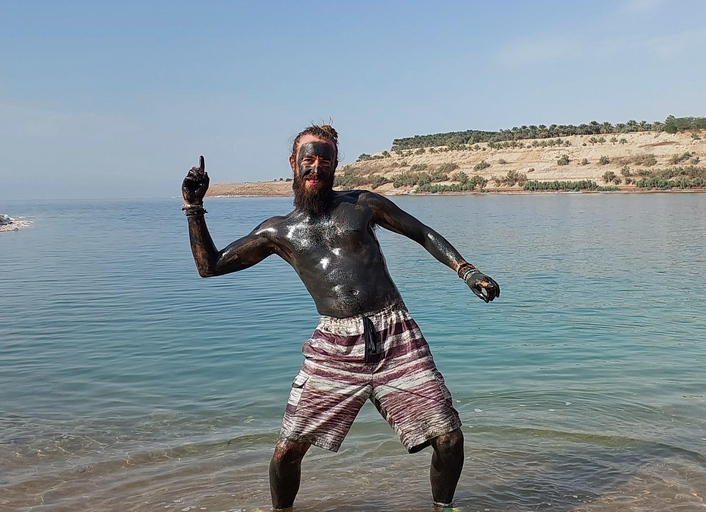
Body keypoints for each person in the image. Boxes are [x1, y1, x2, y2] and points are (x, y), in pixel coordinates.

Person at [182, 124, 500, 510]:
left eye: (325, 160)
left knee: (449, 437)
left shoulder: (363, 204)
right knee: (288, 450)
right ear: (293, 164)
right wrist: (194, 207)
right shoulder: (277, 231)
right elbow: (210, 266)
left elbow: (421, 232)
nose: (316, 168)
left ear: (335, 166)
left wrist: (466, 269)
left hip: (395, 334)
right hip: (334, 344)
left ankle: (443, 508)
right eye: (308, 160)